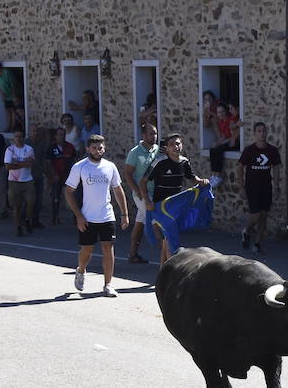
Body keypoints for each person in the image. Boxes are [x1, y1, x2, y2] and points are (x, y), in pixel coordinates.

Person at [63, 133, 128, 297]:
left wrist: (124, 213)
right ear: (88, 149)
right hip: (87, 217)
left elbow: (118, 190)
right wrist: (78, 215)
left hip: (107, 215)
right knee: (87, 251)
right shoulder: (80, 167)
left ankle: (108, 284)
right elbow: (69, 192)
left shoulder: (110, 167)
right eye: (94, 148)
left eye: (100, 148)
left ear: (104, 148)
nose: (98, 151)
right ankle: (81, 269)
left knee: (108, 247)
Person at [142, 132, 209, 264]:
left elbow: (191, 178)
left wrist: (201, 181)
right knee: (169, 239)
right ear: (166, 148)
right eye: (172, 145)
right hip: (160, 207)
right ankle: (170, 270)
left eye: (177, 143)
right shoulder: (158, 162)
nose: (175, 147)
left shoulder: (184, 162)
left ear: (182, 145)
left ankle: (163, 270)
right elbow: (143, 182)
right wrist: (147, 201)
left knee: (167, 240)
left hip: (175, 207)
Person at [238, 121, 281, 254]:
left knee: (264, 215)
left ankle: (257, 243)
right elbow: (239, 167)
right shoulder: (249, 151)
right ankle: (246, 230)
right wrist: (240, 186)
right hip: (252, 187)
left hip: (266, 187)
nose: (262, 134)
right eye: (259, 131)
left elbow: (276, 168)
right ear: (255, 133)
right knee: (255, 214)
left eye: (264, 131)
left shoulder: (272, 150)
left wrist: (277, 185)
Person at [122, 122, 159, 263]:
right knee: (157, 220)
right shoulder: (135, 152)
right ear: (143, 135)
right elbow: (128, 174)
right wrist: (137, 192)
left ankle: (132, 254)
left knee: (140, 223)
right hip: (142, 195)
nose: (154, 136)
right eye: (151, 133)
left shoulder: (158, 150)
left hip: (154, 193)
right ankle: (166, 256)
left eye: (155, 133)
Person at [4, 128, 36, 235]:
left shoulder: (29, 149)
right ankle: (18, 226)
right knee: (16, 206)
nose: (19, 138)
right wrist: (23, 163)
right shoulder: (10, 150)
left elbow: (31, 163)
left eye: (21, 136)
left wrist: (16, 163)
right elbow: (8, 166)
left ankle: (27, 220)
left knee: (31, 203)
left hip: (27, 180)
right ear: (14, 138)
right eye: (16, 136)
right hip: (14, 181)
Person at [45, 125, 75, 224]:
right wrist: (53, 175)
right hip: (56, 176)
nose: (61, 137)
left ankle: (76, 216)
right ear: (55, 136)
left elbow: (74, 161)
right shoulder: (51, 148)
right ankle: (55, 216)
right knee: (56, 197)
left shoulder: (70, 147)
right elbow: (48, 163)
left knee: (74, 196)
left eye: (63, 135)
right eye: (59, 135)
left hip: (68, 176)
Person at [0, 60, 19, 131]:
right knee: (8, 111)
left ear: (0, 65)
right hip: (6, 96)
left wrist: (14, 96)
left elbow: (13, 84)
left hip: (14, 94)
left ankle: (13, 127)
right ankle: (9, 126)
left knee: (14, 111)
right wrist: (2, 94)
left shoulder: (7, 72)